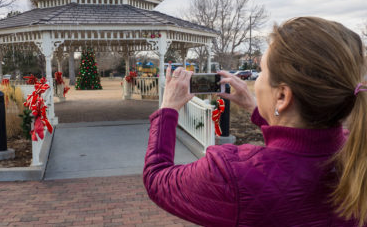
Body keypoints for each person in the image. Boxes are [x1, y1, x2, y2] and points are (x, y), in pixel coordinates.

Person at [143, 17, 367, 226]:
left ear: (282, 96)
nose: (256, 80)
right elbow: (299, 145)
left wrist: (168, 109)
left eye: (262, 71)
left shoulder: (233, 173)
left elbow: (157, 180)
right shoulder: (357, 152)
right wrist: (255, 107)